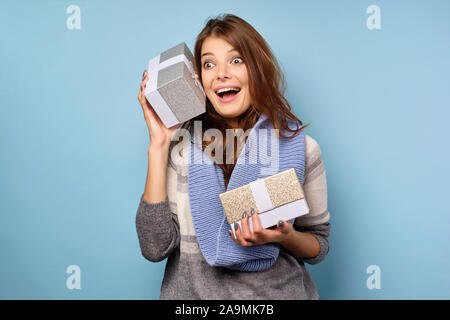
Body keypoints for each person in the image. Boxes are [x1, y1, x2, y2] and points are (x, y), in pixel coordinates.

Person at [135, 14, 331, 300]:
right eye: (208, 64)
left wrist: (285, 236)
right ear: (198, 80)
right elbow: (154, 247)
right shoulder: (181, 152)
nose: (221, 73)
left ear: (257, 68)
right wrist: (158, 144)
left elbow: (319, 246)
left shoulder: (302, 149)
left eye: (236, 60)